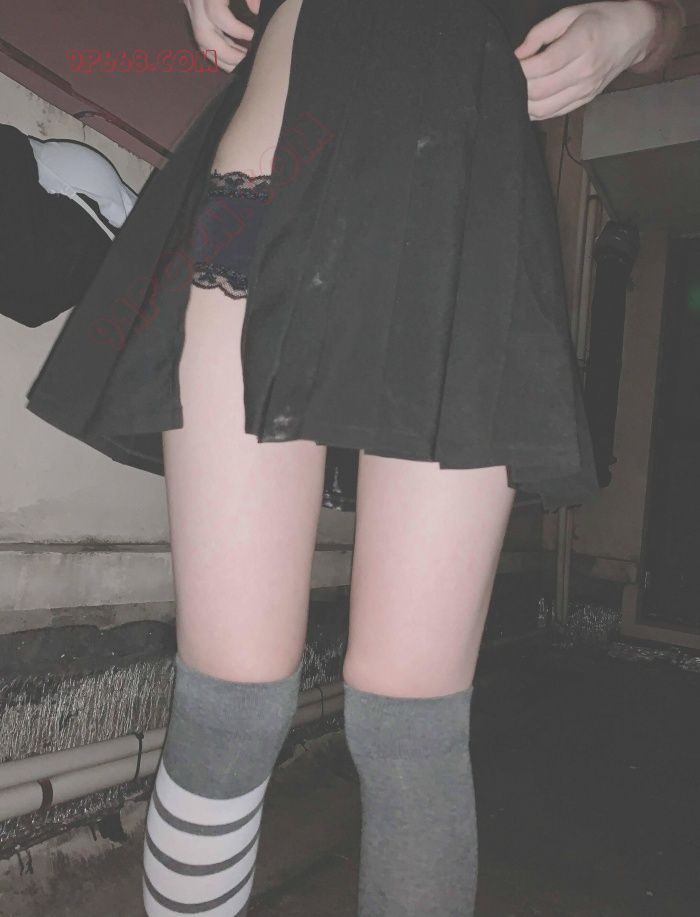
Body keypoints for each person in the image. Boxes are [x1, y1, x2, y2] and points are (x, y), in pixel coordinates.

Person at [24, 1, 684, 915]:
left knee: (410, 721)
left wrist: (641, 23)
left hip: (463, 207)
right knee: (227, 701)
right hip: (255, 195)